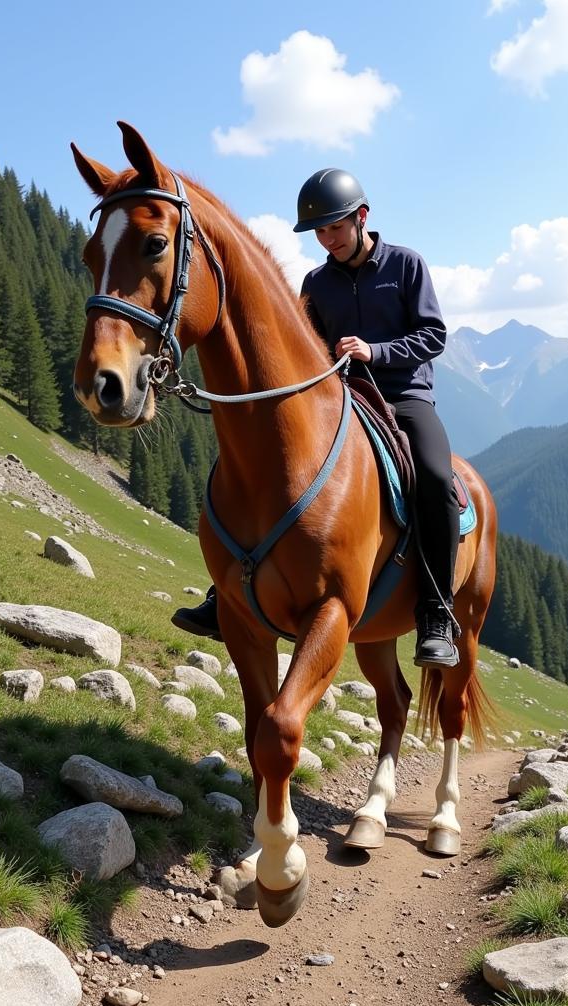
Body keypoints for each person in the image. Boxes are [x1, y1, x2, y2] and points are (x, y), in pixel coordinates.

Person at [173, 169, 461, 667]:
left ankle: (437, 612)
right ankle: (227, 596)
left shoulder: (406, 265)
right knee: (261, 469)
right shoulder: (316, 282)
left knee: (435, 478)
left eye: (334, 228)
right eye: (319, 233)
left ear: (362, 217)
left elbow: (432, 335)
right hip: (339, 398)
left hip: (404, 395)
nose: (327, 240)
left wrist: (376, 351)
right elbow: (307, 347)